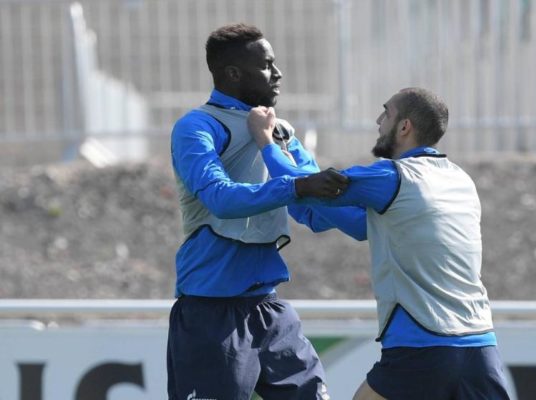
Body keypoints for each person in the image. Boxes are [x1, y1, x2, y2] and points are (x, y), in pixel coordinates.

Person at [247, 87, 511, 400]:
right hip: (480, 347)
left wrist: (266, 142)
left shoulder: (391, 177)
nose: (378, 120)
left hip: (422, 345)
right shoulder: (460, 180)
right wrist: (292, 146)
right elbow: (345, 220)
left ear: (404, 126)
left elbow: (311, 189)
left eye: (386, 113)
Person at [166, 23, 348, 400]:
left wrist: (374, 206)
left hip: (269, 306)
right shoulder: (197, 126)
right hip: (210, 311)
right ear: (233, 74)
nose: (278, 74)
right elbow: (220, 198)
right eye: (267, 65)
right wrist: (298, 186)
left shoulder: (279, 131)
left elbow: (313, 212)